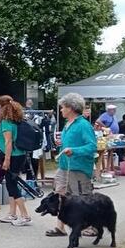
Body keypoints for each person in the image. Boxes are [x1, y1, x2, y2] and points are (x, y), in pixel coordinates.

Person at [45, 92, 97, 238]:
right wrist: (61, 144)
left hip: (79, 168)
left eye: (63, 107)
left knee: (82, 198)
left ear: (70, 108)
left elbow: (92, 147)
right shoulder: (68, 125)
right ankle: (60, 227)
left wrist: (73, 150)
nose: (61, 110)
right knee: (60, 195)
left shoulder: (83, 125)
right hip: (64, 166)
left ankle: (91, 226)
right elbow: (71, 144)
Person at [0, 99, 32, 227]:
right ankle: (12, 213)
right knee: (12, 183)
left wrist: (6, 160)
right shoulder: (17, 122)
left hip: (12, 156)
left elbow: (8, 142)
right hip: (19, 155)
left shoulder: (6, 122)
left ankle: (25, 215)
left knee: (11, 185)